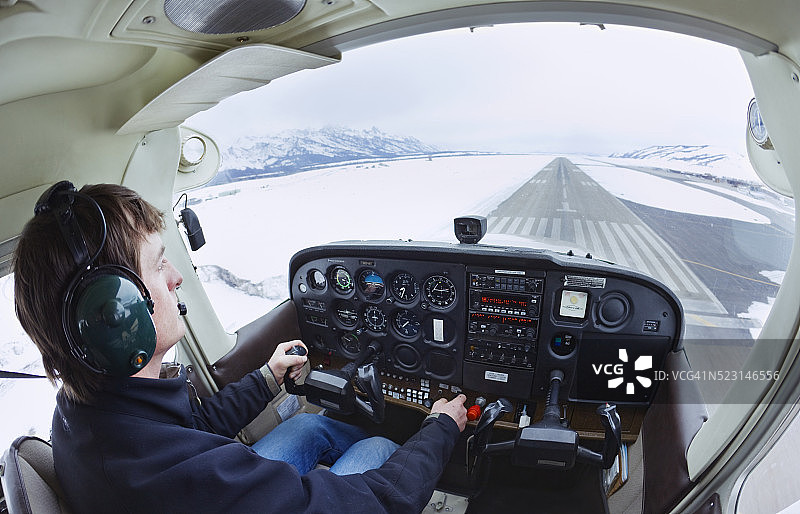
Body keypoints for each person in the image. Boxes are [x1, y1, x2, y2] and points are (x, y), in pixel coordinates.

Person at [13, 182, 468, 513]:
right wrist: (440, 428)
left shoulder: (84, 413)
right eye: (158, 263)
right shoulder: (175, 480)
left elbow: (191, 427)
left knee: (313, 431)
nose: (175, 278)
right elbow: (377, 502)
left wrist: (267, 376)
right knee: (378, 452)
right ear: (117, 312)